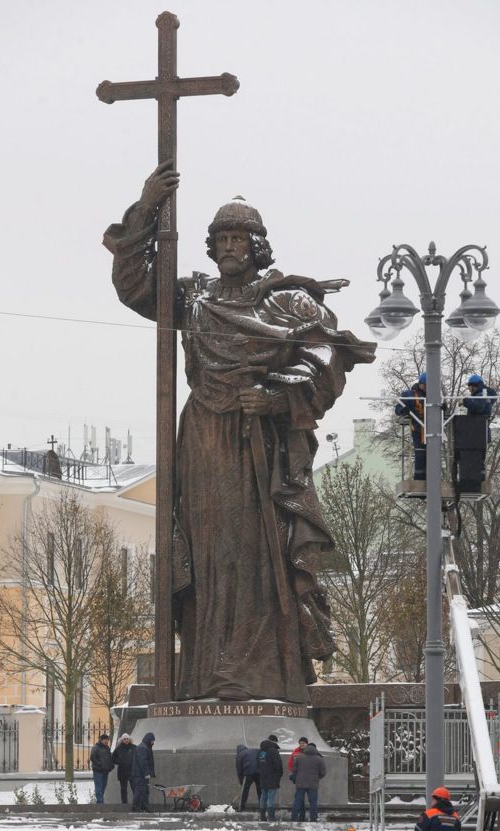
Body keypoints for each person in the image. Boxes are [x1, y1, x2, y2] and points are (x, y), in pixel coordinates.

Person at [104, 165, 376, 703]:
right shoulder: (194, 299)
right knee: (207, 556)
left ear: (257, 246)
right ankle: (205, 673)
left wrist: (278, 398)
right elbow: (133, 284)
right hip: (203, 438)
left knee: (256, 555)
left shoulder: (285, 301)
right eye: (221, 238)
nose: (230, 247)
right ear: (210, 247)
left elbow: (327, 359)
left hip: (261, 446)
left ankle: (259, 676)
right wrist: (146, 208)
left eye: (239, 238)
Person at [395, 372, 427, 480]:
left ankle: (430, 478)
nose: (427, 388)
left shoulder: (435, 395)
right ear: (421, 384)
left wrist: (443, 407)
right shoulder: (410, 395)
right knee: (420, 454)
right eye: (425, 385)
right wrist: (404, 410)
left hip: (432, 428)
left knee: (433, 455)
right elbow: (398, 408)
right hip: (418, 428)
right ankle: (419, 479)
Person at [291, 742, 326, 822]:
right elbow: (323, 772)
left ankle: (294, 817)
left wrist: (298, 777)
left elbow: (294, 769)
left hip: (300, 783)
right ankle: (313, 818)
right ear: (315, 749)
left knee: (298, 801)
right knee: (313, 802)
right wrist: (317, 777)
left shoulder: (299, 757)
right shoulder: (319, 759)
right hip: (313, 784)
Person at [258, 735, 283, 821]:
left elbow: (258, 764)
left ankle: (262, 816)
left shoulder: (261, 751)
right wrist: (279, 775)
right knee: (271, 797)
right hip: (272, 777)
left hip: (263, 777)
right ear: (274, 741)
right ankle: (271, 816)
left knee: (263, 796)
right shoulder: (273, 751)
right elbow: (278, 765)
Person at [131, 732, 156, 813]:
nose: (153, 743)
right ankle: (136, 807)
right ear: (148, 740)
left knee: (144, 791)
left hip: (141, 774)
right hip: (140, 775)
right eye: (152, 741)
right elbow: (143, 762)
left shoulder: (145, 747)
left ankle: (143, 806)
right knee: (140, 791)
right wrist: (146, 773)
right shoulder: (143, 748)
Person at [89, 733, 114, 805]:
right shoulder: (96, 747)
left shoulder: (107, 748)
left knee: (103, 786)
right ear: (101, 740)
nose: (106, 741)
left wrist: (110, 766)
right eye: (105, 740)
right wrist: (100, 765)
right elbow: (93, 757)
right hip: (98, 771)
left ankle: (100, 801)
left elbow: (109, 758)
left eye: (107, 740)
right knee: (99, 786)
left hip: (105, 770)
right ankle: (100, 801)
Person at [112, 733, 136, 805]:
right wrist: (120, 762)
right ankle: (124, 803)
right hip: (122, 771)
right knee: (123, 789)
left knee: (134, 788)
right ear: (122, 740)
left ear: (130, 739)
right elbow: (113, 759)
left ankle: (136, 802)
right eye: (124, 739)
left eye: (127, 739)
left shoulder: (134, 748)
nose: (126, 740)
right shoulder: (118, 749)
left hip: (132, 771)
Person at [236, 743, 261, 811]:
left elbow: (239, 770)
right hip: (259, 772)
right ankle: (262, 808)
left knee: (244, 791)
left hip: (248, 773)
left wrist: (241, 782)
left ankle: (241, 808)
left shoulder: (240, 755)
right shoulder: (255, 751)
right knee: (260, 791)